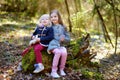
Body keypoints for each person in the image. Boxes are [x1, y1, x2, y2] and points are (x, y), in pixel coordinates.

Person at [47, 10, 70, 78]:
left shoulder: (63, 27)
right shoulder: (49, 27)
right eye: (51, 17)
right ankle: (53, 71)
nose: (53, 18)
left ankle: (61, 69)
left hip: (60, 45)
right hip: (52, 45)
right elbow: (45, 35)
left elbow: (68, 39)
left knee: (64, 52)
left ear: (59, 17)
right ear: (50, 18)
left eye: (55, 16)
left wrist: (64, 39)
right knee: (58, 52)